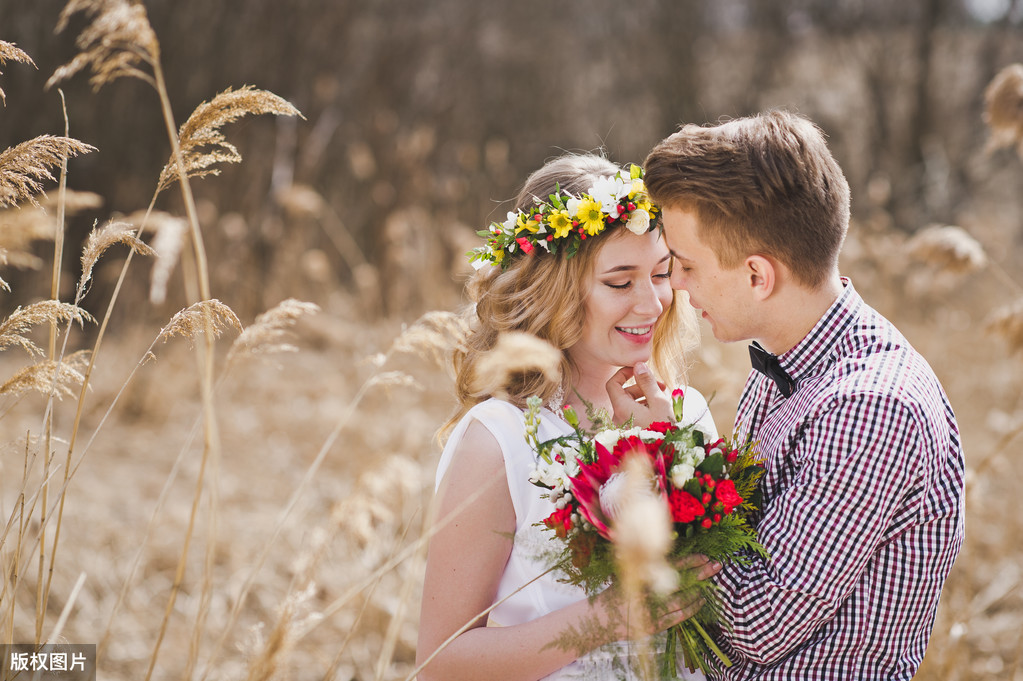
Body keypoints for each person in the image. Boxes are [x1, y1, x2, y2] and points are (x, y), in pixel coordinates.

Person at [610, 110, 966, 679]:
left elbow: (754, 625)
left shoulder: (870, 407)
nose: (673, 285)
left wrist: (669, 456)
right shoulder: (782, 363)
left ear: (758, 276)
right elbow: (743, 538)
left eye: (686, 264)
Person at [416, 153, 721, 681]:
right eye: (620, 283)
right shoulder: (499, 440)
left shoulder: (685, 413)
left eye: (662, 273)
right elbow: (442, 662)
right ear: (553, 293)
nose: (652, 303)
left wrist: (660, 446)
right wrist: (608, 619)